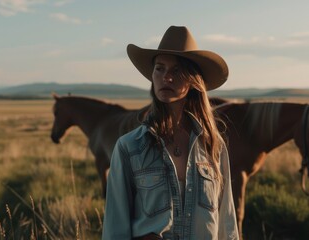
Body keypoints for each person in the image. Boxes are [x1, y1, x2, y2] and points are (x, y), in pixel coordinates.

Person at [102, 26, 239, 240]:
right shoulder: (129, 148)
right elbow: (115, 229)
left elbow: (227, 224)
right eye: (160, 68)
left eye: (176, 71)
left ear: (193, 80)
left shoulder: (213, 144)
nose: (166, 77)